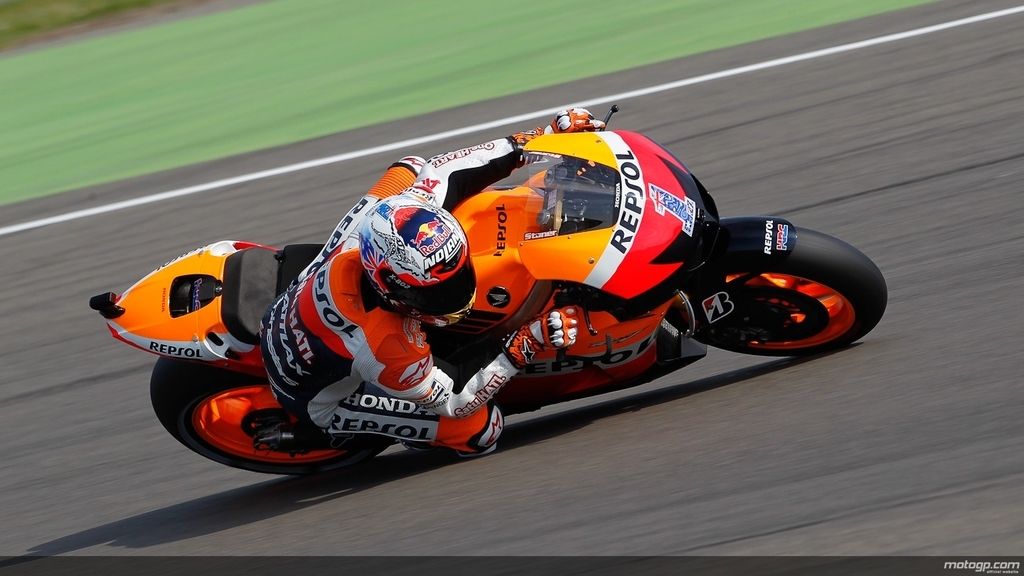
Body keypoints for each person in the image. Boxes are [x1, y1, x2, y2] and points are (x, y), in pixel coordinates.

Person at [257, 108, 606, 455]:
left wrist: (537, 140)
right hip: (314, 394)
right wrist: (526, 342)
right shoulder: (384, 344)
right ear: (391, 288)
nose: (455, 294)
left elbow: (442, 169)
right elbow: (456, 401)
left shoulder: (398, 211)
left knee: (408, 168)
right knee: (482, 431)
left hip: (312, 297)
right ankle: (344, 434)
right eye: (436, 291)